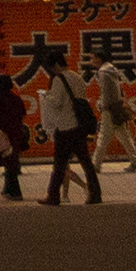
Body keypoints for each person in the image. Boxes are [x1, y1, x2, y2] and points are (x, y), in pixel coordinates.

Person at [38, 49, 103, 205]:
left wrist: (46, 95)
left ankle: (53, 195)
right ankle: (95, 194)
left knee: (59, 164)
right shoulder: (77, 77)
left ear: (54, 65)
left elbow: (57, 102)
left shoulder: (59, 79)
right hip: (79, 126)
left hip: (65, 127)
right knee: (86, 162)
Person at [0, 57, 29, 200]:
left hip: (4, 135)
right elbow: (22, 113)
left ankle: (15, 192)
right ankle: (8, 189)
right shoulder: (16, 99)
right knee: (11, 161)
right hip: (16, 132)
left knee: (9, 162)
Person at [93, 54, 136, 174]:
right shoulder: (112, 71)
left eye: (93, 58)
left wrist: (102, 106)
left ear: (99, 58)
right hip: (117, 108)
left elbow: (105, 93)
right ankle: (135, 161)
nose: (92, 62)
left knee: (103, 137)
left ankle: (95, 165)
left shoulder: (103, 73)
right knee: (124, 135)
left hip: (109, 110)